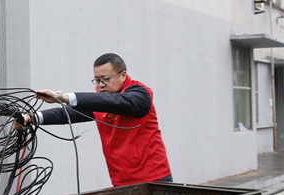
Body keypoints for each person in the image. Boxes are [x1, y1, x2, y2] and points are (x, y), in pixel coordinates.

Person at [18, 53, 171, 186]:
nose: (101, 85)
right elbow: (69, 114)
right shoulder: (101, 100)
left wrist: (61, 96)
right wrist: (31, 118)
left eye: (105, 79)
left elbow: (115, 102)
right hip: (120, 180)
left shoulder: (139, 94)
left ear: (123, 75)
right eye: (97, 80)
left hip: (153, 179)